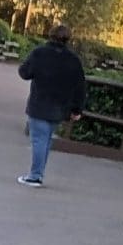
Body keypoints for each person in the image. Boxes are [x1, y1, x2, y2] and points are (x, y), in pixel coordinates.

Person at [16, 23, 87, 185]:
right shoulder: (73, 60)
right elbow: (80, 86)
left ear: (50, 35)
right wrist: (77, 109)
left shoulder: (39, 53)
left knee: (39, 140)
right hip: (60, 107)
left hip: (39, 103)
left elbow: (24, 73)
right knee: (46, 140)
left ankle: (35, 176)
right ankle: (39, 173)